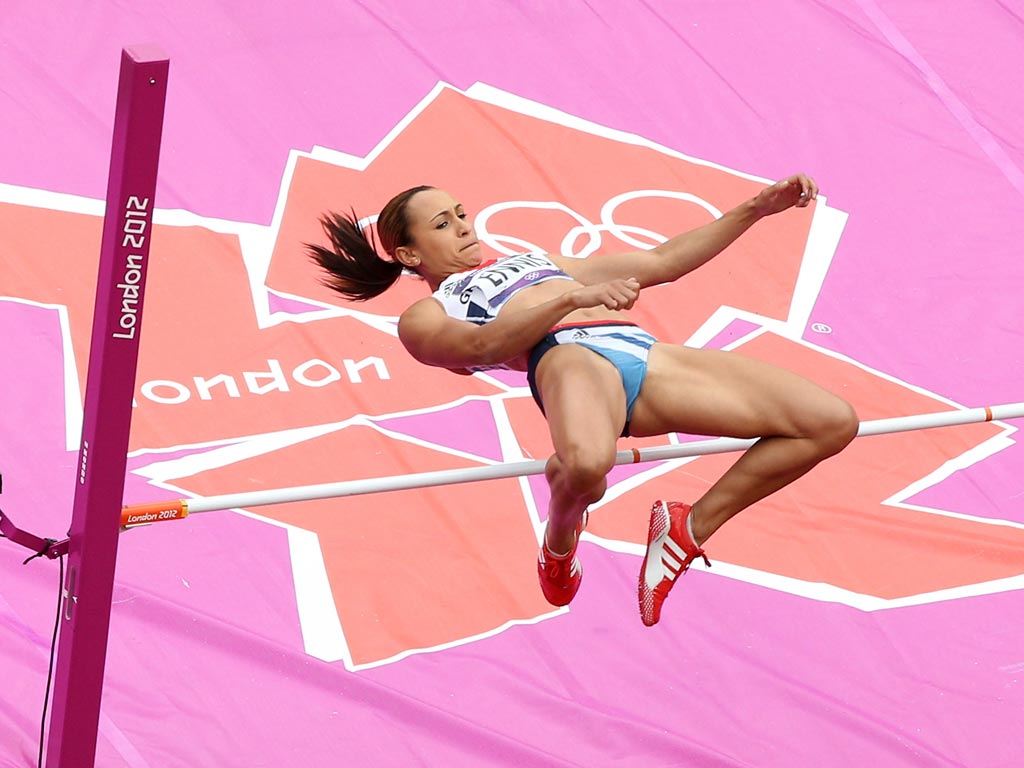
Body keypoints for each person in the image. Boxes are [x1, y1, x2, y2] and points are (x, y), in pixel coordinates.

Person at [308, 175, 858, 626]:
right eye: (442, 224)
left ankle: (687, 529)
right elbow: (484, 344)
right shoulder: (425, 315)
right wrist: (572, 296)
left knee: (830, 422)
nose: (462, 227)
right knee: (590, 468)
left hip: (638, 349)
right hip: (566, 358)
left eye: (460, 212)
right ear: (409, 252)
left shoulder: (534, 261)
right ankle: (559, 541)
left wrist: (757, 209)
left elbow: (663, 260)